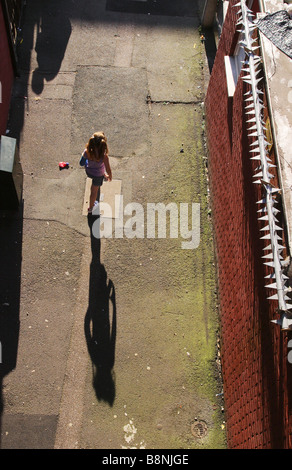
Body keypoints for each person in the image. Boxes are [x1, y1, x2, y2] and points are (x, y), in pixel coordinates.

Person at [80, 132, 112, 214]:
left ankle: (90, 208)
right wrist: (109, 175)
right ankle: (91, 207)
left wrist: (88, 159)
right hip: (98, 175)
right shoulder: (104, 156)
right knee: (94, 192)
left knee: (93, 191)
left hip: (89, 172)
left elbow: (81, 163)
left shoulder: (87, 152)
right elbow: (108, 168)